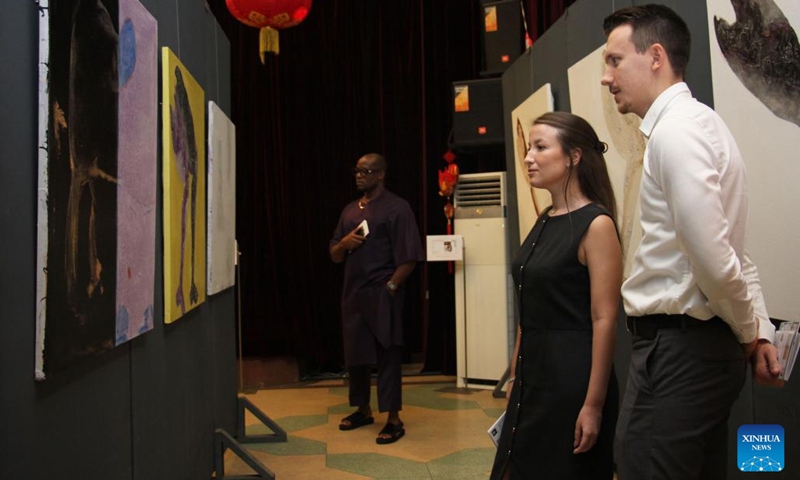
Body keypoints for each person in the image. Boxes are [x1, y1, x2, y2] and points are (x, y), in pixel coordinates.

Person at [601, 5, 783, 480]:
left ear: (655, 56)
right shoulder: (697, 125)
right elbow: (731, 250)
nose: (606, 76)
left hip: (680, 353)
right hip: (692, 350)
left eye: (615, 60)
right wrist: (757, 325)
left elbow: (716, 259)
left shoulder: (677, 133)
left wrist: (748, 330)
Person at [490, 112, 622, 480]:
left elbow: (605, 319)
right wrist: (516, 375)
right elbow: (527, 306)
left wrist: (593, 405)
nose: (529, 156)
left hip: (571, 384)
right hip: (532, 380)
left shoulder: (596, 224)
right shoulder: (545, 218)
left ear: (574, 156)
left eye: (540, 147)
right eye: (529, 147)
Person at [329, 153, 424, 445]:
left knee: (388, 355)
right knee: (356, 355)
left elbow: (410, 256)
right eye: (357, 170)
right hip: (353, 294)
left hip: (383, 293)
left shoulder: (397, 208)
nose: (359, 175)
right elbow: (334, 255)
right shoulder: (349, 211)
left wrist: (391, 288)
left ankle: (394, 419)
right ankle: (363, 409)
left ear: (381, 174)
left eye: (366, 171)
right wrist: (343, 244)